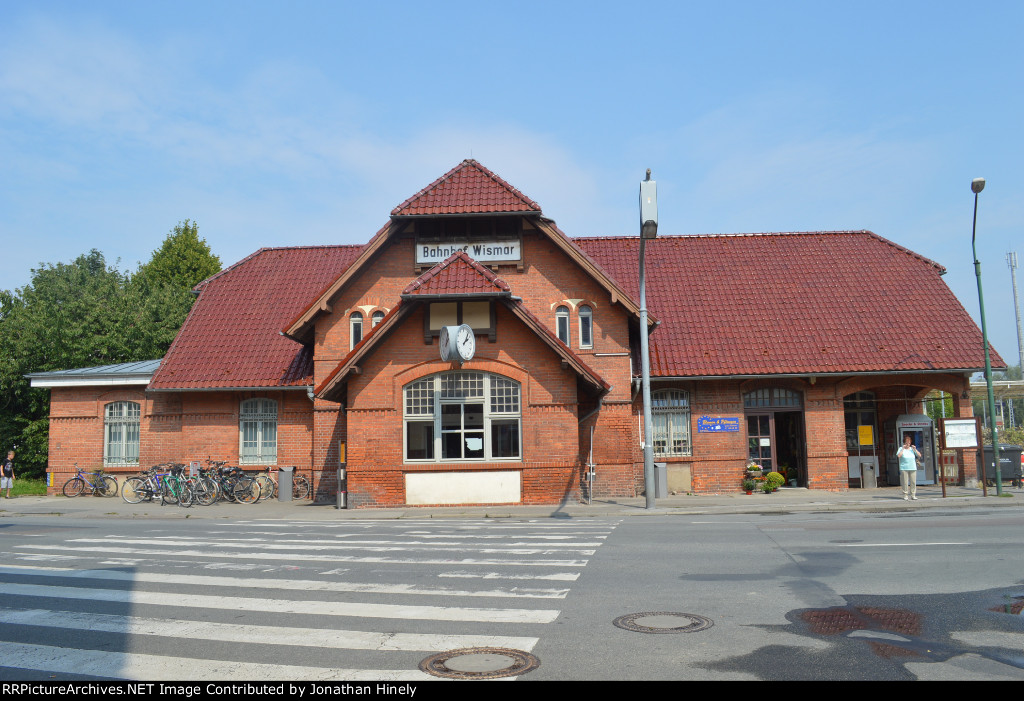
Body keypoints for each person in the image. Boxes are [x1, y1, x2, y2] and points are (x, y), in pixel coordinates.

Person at [896, 436, 920, 501]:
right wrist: (903, 449)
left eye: (909, 443)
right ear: (904, 443)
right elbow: (899, 456)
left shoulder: (912, 449)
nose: (908, 444)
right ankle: (905, 495)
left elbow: (919, 455)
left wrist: (915, 449)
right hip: (904, 468)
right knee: (905, 482)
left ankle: (913, 495)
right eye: (906, 443)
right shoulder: (901, 448)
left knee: (913, 482)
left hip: (912, 467)